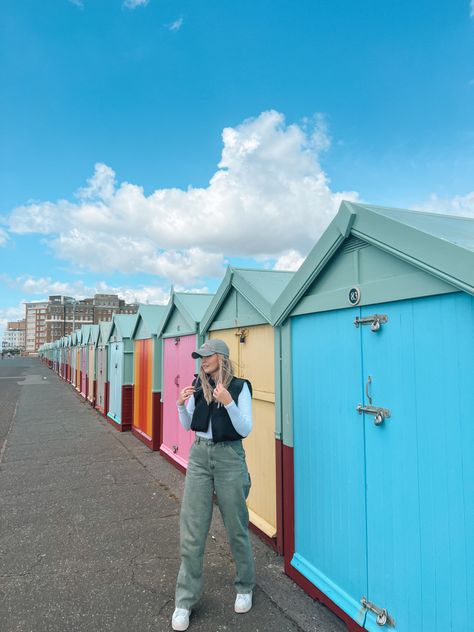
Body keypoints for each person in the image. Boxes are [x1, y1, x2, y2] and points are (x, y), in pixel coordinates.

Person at [171, 339, 255, 631]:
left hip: (230, 456)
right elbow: (188, 424)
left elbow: (245, 428)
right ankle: (185, 600)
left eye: (206, 356)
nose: (202, 361)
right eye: (200, 356)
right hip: (199, 455)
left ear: (221, 357)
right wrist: (181, 406)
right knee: (192, 528)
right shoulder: (198, 385)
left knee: (236, 525)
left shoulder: (240, 387)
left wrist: (229, 403)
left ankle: (245, 585)